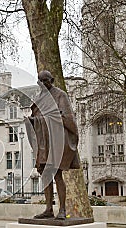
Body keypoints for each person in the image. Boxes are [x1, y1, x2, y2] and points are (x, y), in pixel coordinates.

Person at [25, 70, 80, 220]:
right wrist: (32, 121)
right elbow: (37, 115)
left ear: (52, 80)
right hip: (44, 142)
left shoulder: (60, 95)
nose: (43, 84)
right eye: (40, 81)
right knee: (45, 175)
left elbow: (68, 118)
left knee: (57, 175)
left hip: (56, 140)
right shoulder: (39, 98)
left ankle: (62, 209)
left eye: (45, 81)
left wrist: (50, 118)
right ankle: (48, 208)